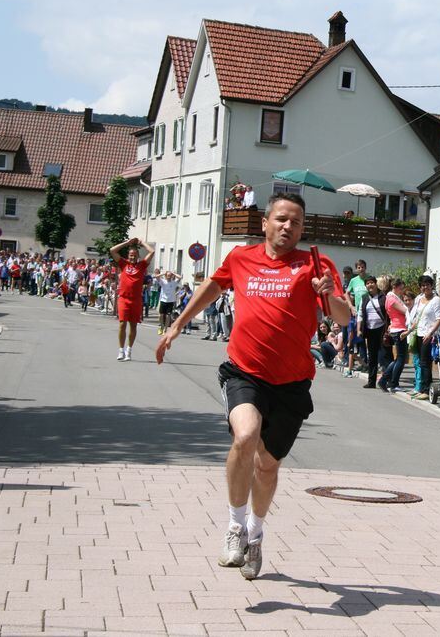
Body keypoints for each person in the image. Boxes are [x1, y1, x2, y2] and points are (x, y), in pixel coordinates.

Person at [155, 190, 348, 581]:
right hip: (245, 370)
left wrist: (328, 294)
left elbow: (342, 317)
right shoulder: (241, 258)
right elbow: (212, 288)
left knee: (268, 465)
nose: (287, 226)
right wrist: (176, 324)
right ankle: (234, 526)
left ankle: (256, 535)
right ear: (265, 222)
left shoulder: (316, 264)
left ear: (302, 228)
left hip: (292, 380)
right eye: (280, 218)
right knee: (245, 436)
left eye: (295, 221)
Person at [109, 238, 155, 362]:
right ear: (128, 256)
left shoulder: (142, 265)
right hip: (124, 298)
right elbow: (112, 250)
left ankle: (129, 350)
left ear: (137, 256)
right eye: (130, 255)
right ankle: (121, 350)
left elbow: (152, 252)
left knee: (133, 326)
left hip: (136, 300)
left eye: (134, 255)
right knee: (122, 324)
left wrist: (142, 243)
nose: (132, 257)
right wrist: (127, 243)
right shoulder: (124, 264)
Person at [409, 275, 440, 400]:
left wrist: (430, 333)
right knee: (419, 362)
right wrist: (409, 331)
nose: (425, 287)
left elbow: (439, 319)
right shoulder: (419, 298)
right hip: (419, 333)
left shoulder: (436, 300)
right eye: (423, 285)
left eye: (427, 284)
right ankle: (421, 388)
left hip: (429, 335)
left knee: (425, 363)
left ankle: (426, 389)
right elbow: (417, 318)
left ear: (431, 285)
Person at [358, 275, 389, 389]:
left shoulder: (383, 296)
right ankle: (371, 382)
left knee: (384, 355)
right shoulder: (364, 297)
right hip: (369, 329)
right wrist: (358, 329)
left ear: (376, 284)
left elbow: (389, 311)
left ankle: (386, 380)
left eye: (372, 283)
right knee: (372, 357)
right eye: (367, 283)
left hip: (382, 329)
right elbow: (360, 313)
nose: (370, 285)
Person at [381, 277, 409, 392]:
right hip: (399, 329)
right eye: (401, 288)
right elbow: (405, 311)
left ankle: (386, 379)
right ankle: (391, 382)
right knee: (401, 358)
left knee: (399, 358)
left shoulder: (393, 297)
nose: (402, 291)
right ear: (395, 287)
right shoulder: (392, 299)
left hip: (398, 328)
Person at [157, 271, 182, 335]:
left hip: (170, 301)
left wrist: (173, 273)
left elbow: (180, 277)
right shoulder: (163, 282)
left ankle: (165, 329)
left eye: (170, 276)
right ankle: (161, 327)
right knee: (161, 315)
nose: (169, 277)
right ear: (166, 276)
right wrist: (163, 273)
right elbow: (156, 276)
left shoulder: (174, 283)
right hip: (163, 300)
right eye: (168, 276)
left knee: (168, 316)